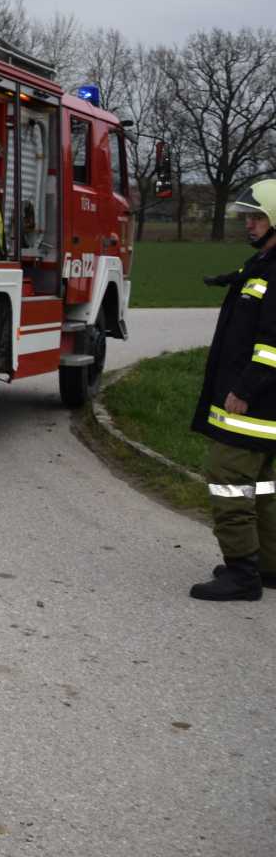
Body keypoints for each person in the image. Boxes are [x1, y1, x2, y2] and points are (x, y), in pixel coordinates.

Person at [188, 179, 276, 601]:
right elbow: (249, 278)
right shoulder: (262, 264)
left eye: (258, 217)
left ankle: (242, 575)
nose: (250, 224)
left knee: (228, 479)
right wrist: (223, 280)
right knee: (263, 486)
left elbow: (271, 345)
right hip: (266, 406)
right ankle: (268, 567)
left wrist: (244, 389)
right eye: (248, 217)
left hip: (254, 402)